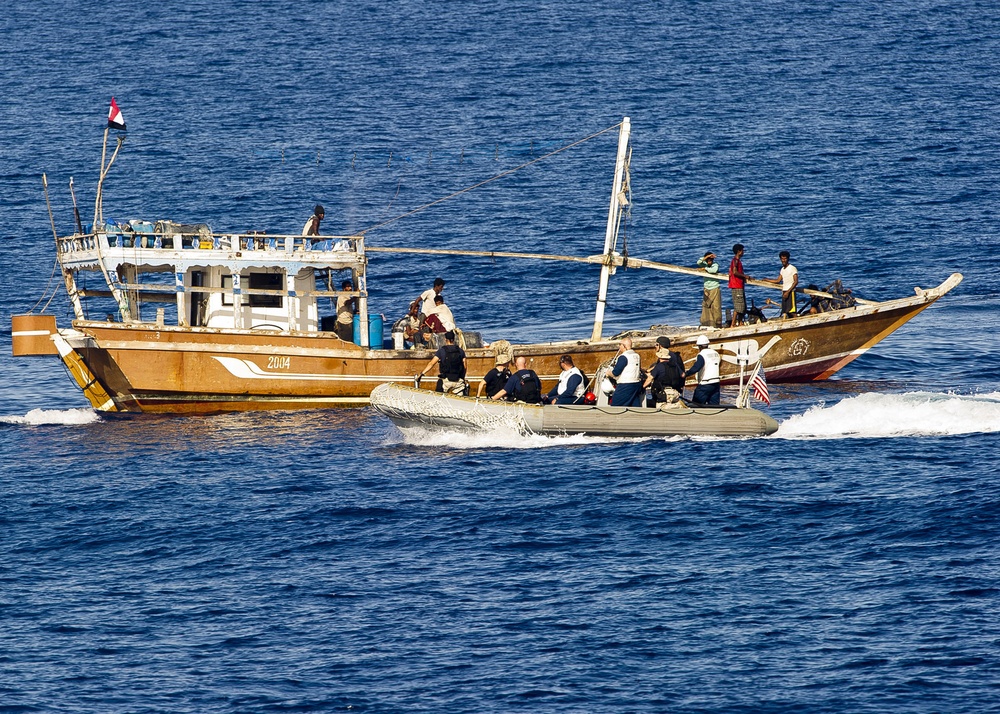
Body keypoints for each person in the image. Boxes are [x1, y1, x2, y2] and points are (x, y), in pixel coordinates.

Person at [416, 330, 466, 395]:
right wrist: (462, 377)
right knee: (461, 400)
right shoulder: (460, 351)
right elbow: (465, 366)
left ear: (445, 339)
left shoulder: (442, 351)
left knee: (439, 397)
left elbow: (431, 363)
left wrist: (422, 373)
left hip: (445, 380)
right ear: (453, 339)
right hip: (458, 380)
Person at [643, 336, 685, 406]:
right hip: (674, 387)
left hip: (665, 389)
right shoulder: (671, 355)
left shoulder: (666, 357)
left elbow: (661, 369)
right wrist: (648, 370)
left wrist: (643, 386)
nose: (655, 346)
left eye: (656, 345)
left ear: (661, 346)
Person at [683, 335, 721, 405]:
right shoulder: (716, 353)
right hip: (716, 383)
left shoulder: (702, 354)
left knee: (696, 404)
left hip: (705, 384)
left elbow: (696, 367)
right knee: (714, 406)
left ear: (699, 346)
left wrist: (686, 374)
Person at [609, 337, 644, 406]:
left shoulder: (623, 357)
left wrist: (609, 373)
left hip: (625, 385)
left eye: (620, 344)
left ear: (624, 346)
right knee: (634, 405)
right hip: (636, 383)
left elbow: (616, 372)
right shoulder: (637, 355)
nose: (619, 346)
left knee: (615, 405)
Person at [765, 250, 798, 318]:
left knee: (792, 311)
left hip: (790, 292)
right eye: (782, 259)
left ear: (788, 259)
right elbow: (778, 280)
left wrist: (788, 292)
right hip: (784, 291)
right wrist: (767, 280)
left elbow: (796, 282)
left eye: (785, 258)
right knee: (786, 311)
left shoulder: (792, 268)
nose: (783, 260)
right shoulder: (782, 269)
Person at [697, 251, 723, 328]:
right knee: (706, 307)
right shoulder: (704, 264)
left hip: (715, 288)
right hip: (707, 289)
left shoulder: (715, 265)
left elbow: (713, 270)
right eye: (708, 260)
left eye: (710, 260)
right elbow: (698, 262)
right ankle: (707, 323)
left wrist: (705, 268)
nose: (709, 262)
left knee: (716, 307)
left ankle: (717, 323)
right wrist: (705, 257)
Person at [728, 243, 751, 327]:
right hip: (736, 285)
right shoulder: (735, 260)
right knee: (738, 306)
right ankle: (733, 324)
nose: (743, 252)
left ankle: (740, 322)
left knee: (742, 306)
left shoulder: (738, 261)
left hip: (740, 285)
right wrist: (745, 276)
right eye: (742, 250)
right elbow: (735, 272)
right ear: (739, 251)